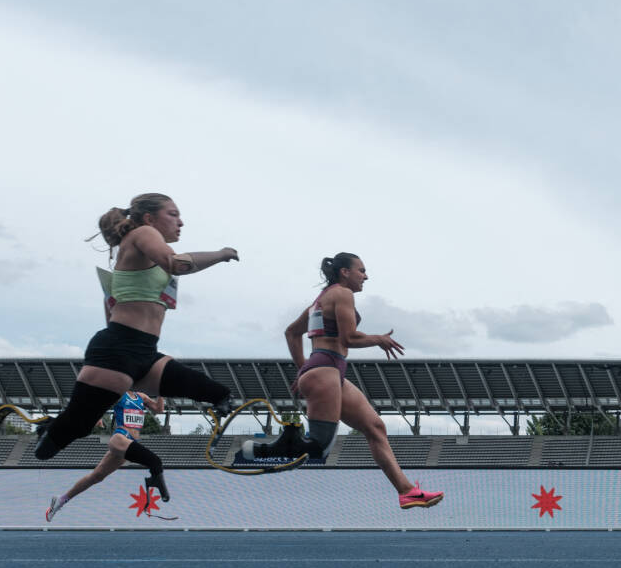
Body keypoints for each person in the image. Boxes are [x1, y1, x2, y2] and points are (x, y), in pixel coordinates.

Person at [33, 193, 239, 504]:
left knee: (219, 393)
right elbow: (176, 263)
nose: (181, 221)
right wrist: (222, 253)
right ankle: (53, 427)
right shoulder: (142, 235)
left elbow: (113, 302)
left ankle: (62, 423)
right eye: (173, 214)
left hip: (144, 352)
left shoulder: (140, 249)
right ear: (149, 219)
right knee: (65, 436)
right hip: (119, 349)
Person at [256, 253, 443, 509]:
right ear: (345, 272)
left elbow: (292, 332)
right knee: (318, 448)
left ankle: (407, 491)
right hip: (326, 368)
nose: (366, 276)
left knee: (375, 427)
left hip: (328, 370)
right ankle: (256, 451)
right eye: (362, 270)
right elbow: (349, 339)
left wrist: (304, 370)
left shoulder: (319, 301)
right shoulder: (343, 294)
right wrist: (379, 339)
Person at [45, 391, 165, 521]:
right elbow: (99, 401)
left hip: (130, 443)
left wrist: (161, 392)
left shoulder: (142, 397)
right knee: (154, 461)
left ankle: (61, 500)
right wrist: (97, 416)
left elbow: (159, 410)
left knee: (96, 476)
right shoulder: (120, 394)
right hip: (121, 438)